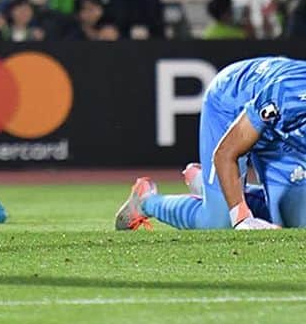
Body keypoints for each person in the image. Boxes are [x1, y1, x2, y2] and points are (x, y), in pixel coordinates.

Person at [116, 57, 306, 231]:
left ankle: (207, 184)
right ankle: (146, 201)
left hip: (278, 126)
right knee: (219, 222)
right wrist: (242, 219)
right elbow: (225, 153)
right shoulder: (286, 95)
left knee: (296, 223)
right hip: (230, 103)